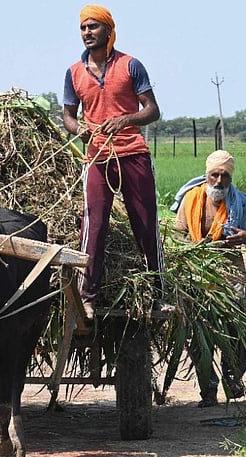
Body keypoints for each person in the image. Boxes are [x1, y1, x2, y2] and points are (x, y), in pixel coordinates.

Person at [61, 4, 167, 320]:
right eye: (83, 28)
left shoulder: (131, 65)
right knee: (93, 225)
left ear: (109, 30)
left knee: (145, 224)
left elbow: (153, 110)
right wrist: (78, 128)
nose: (87, 33)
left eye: (93, 27)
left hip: (132, 153)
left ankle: (159, 293)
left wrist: (126, 120)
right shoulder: (74, 73)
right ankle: (87, 297)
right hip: (96, 156)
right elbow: (67, 115)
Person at [172, 149, 246, 407]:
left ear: (230, 178)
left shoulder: (241, 203)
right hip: (198, 275)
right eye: (214, 175)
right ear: (206, 174)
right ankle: (208, 392)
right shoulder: (191, 199)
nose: (219, 181)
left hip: (231, 275)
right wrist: (191, 252)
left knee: (235, 331)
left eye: (224, 176)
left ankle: (233, 383)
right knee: (200, 336)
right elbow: (178, 236)